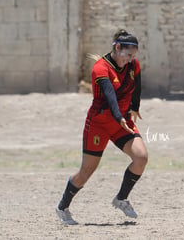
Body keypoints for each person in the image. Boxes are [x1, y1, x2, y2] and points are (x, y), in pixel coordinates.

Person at [56, 29, 148, 225]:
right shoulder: (100, 68)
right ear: (117, 48)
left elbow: (137, 84)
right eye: (129, 55)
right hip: (99, 124)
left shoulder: (132, 64)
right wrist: (118, 116)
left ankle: (121, 199)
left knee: (141, 157)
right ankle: (63, 206)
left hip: (121, 121)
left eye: (134, 56)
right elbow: (110, 96)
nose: (131, 60)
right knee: (86, 173)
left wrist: (134, 107)